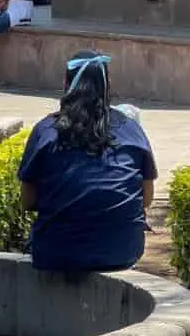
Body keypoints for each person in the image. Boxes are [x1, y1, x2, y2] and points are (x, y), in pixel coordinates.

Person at [17, 51, 157, 275]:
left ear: (65, 83)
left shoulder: (46, 130)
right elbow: (146, 198)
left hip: (57, 254)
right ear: (107, 85)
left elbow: (27, 200)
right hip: (122, 252)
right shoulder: (131, 129)